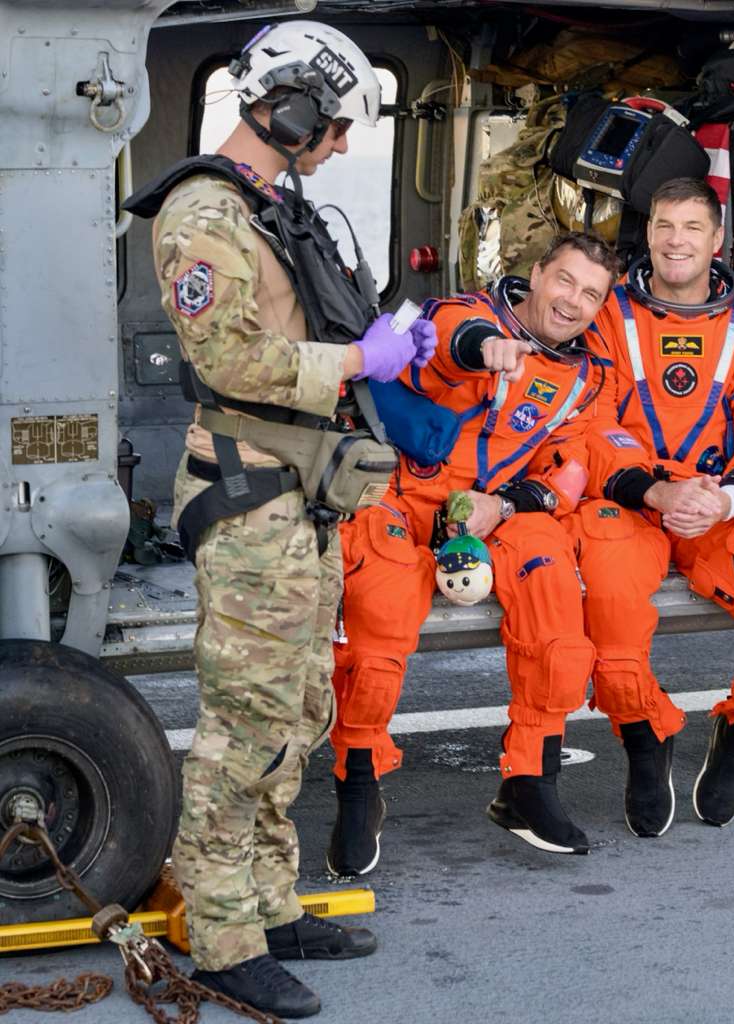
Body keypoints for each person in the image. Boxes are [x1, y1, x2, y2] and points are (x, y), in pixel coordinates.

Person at [124, 21, 436, 1019]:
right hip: (252, 499)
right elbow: (229, 365)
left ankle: (264, 901)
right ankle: (219, 939)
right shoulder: (204, 215)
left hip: (300, 497)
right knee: (242, 726)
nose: (340, 145)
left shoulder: (262, 209)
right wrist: (359, 363)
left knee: (294, 713)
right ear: (288, 107)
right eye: (334, 124)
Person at [326, 232, 678, 867]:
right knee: (378, 613)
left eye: (591, 294)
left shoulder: (589, 377)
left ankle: (529, 781)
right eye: (565, 281)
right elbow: (450, 343)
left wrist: (506, 507)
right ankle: (358, 783)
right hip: (405, 494)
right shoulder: (467, 316)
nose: (573, 301)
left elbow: (569, 470)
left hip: (494, 510)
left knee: (552, 590)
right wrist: (485, 351)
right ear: (537, 273)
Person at [588, 177, 734, 829]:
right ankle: (645, 737)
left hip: (721, 506)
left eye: (692, 227)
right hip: (631, 501)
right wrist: (654, 488)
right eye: (664, 225)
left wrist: (726, 499)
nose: (675, 240)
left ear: (718, 240)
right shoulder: (607, 318)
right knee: (605, 610)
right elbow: (591, 424)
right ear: (648, 234)